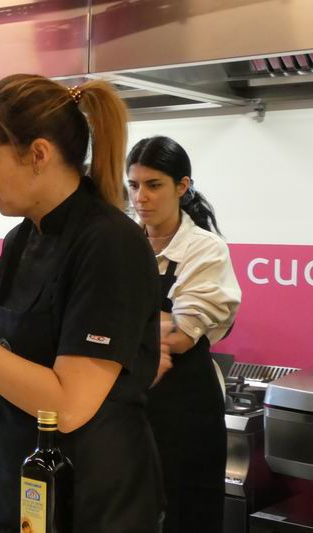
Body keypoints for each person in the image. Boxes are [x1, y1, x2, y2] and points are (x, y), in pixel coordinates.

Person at [0, 74, 165, 532]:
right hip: (17, 490)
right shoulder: (20, 241)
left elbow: (68, 405)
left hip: (91, 501)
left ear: (38, 155)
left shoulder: (110, 244)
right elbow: (0, 372)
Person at [127, 136, 241, 533]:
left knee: (185, 516)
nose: (141, 197)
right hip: (129, 405)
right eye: (134, 185)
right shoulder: (121, 243)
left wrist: (116, 325)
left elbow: (179, 336)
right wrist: (156, 321)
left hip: (186, 411)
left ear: (182, 185)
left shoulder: (204, 249)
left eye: (153, 185)